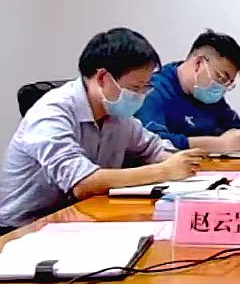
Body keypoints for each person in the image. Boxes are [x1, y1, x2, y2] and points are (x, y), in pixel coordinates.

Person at [0, 28, 203, 233]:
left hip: (80, 218)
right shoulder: (51, 113)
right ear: (103, 77)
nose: (141, 96)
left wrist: (181, 161)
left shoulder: (116, 115)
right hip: (22, 229)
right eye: (135, 88)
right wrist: (164, 171)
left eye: (145, 87)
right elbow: (82, 184)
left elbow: (153, 148)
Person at [135, 29, 240, 152]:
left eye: (228, 83)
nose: (222, 87)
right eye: (221, 78)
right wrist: (219, 144)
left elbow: (239, 131)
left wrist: (236, 138)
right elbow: (153, 144)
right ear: (198, 63)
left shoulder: (208, 93)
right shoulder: (152, 90)